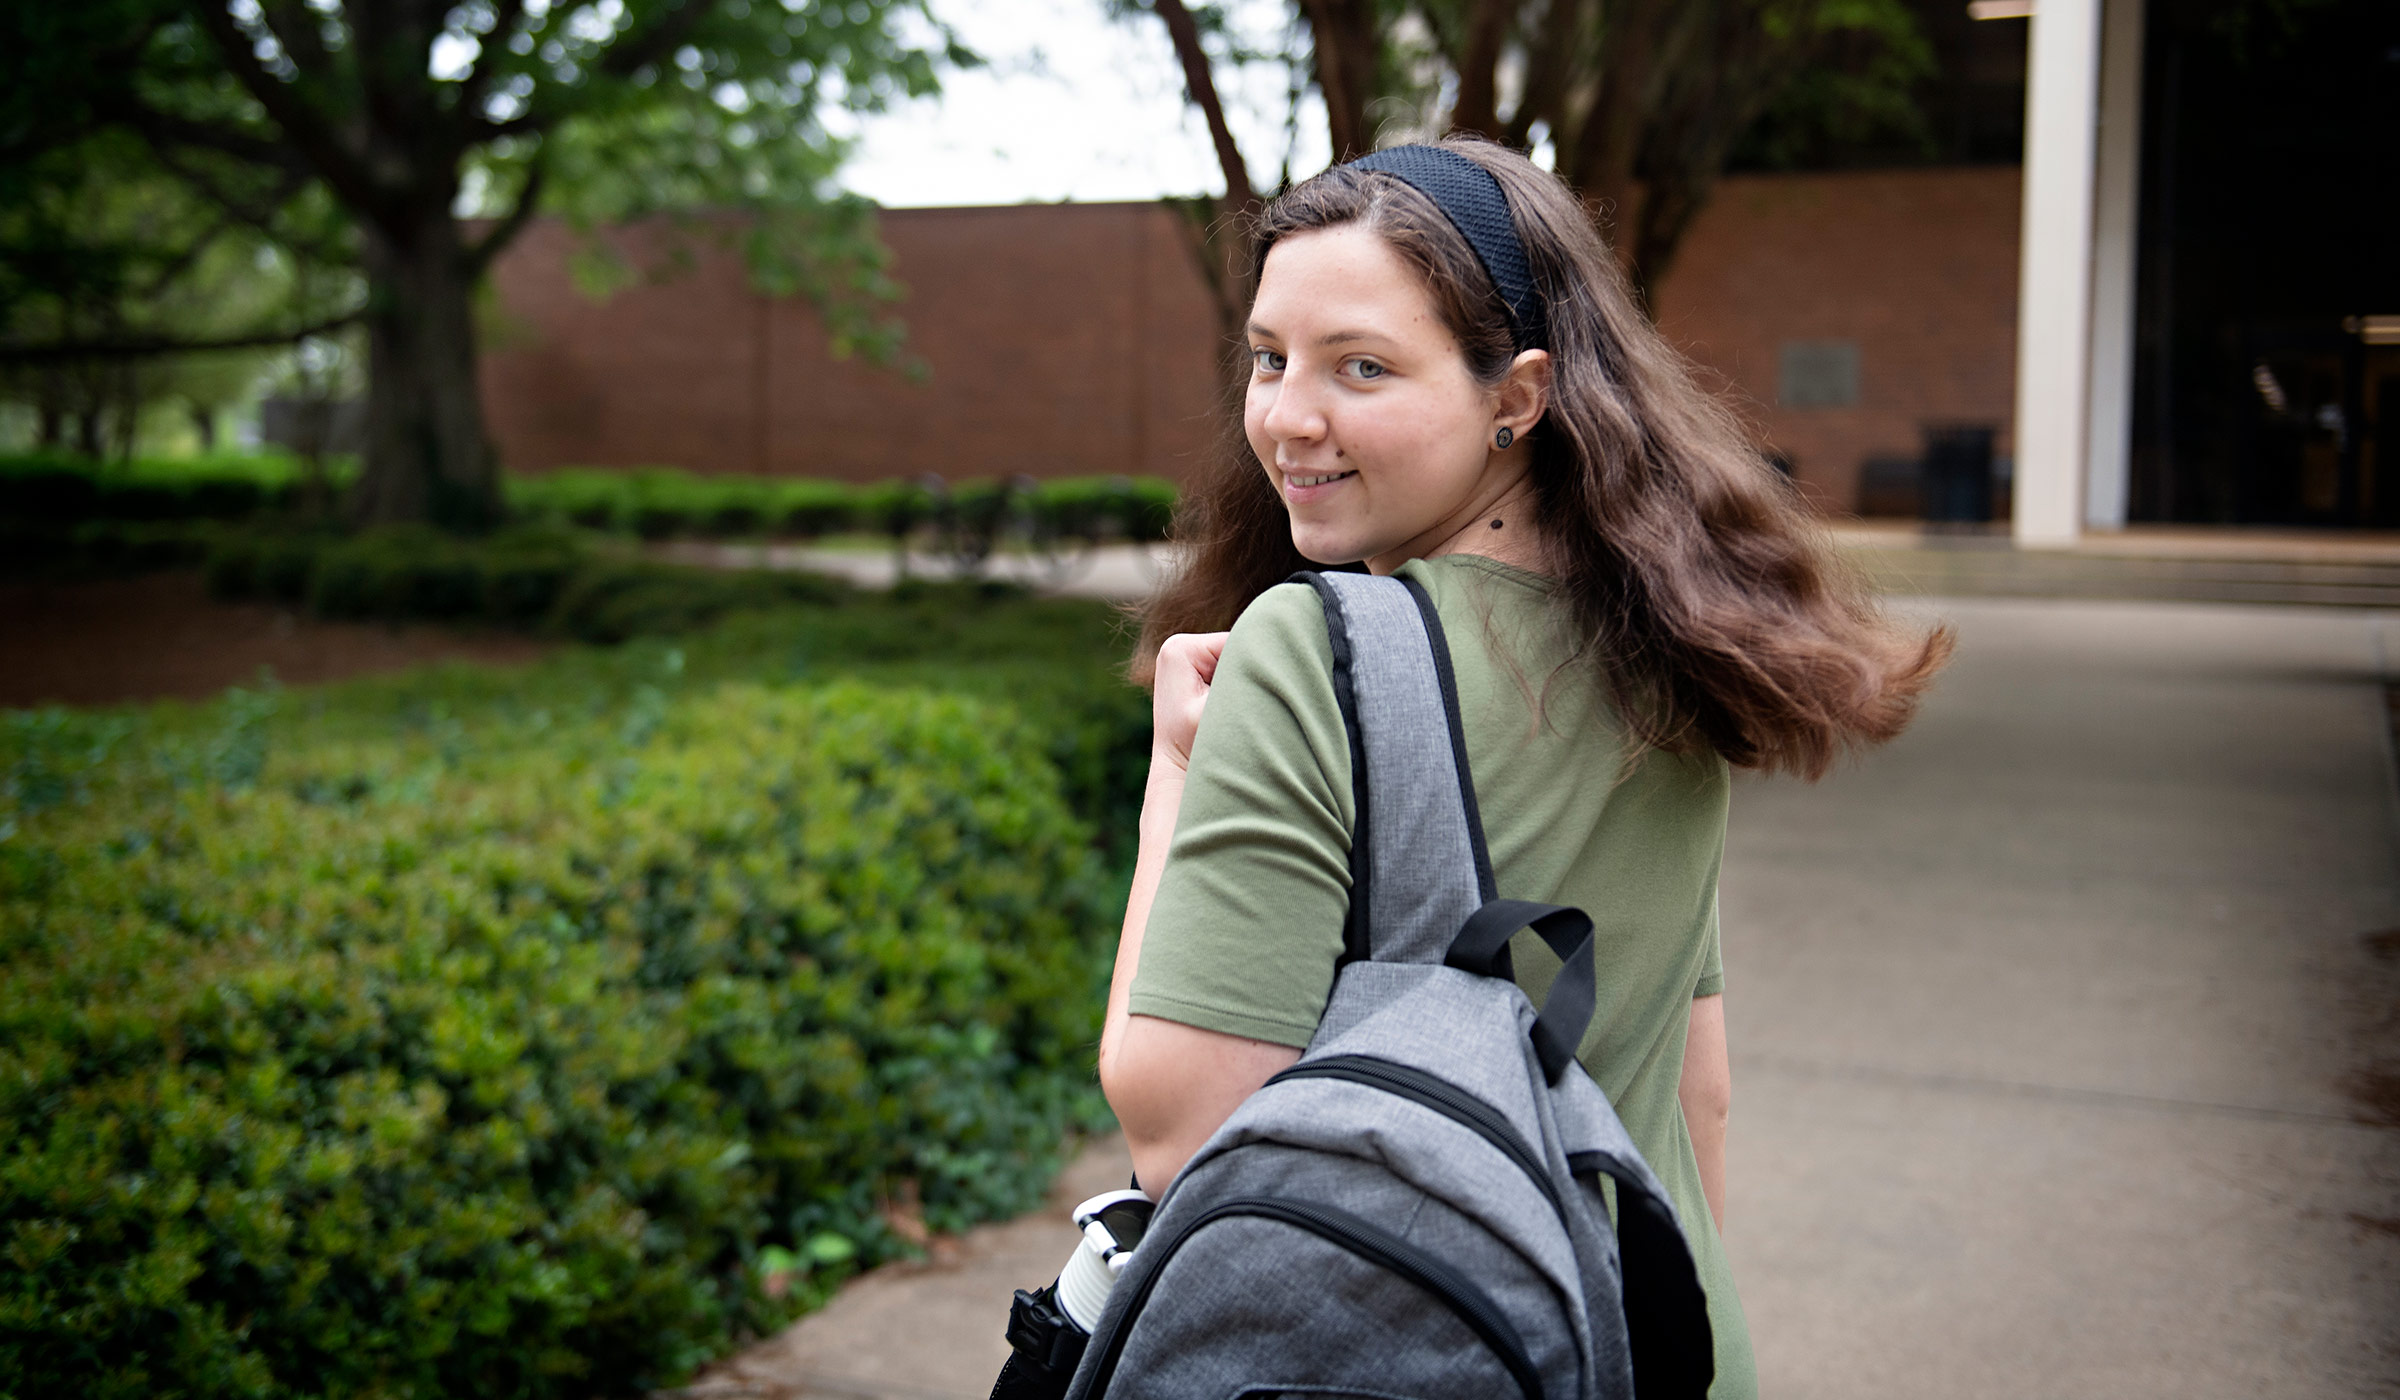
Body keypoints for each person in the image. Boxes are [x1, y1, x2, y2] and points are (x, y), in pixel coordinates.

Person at [1094, 137, 1950, 1399]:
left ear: (1519, 394)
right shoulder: (1667, 650)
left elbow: (1181, 1127)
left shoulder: (1313, 648)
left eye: (1362, 367)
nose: (1287, 414)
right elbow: (1694, 1090)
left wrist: (1178, 763)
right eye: (1269, 357)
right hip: (1657, 1343)